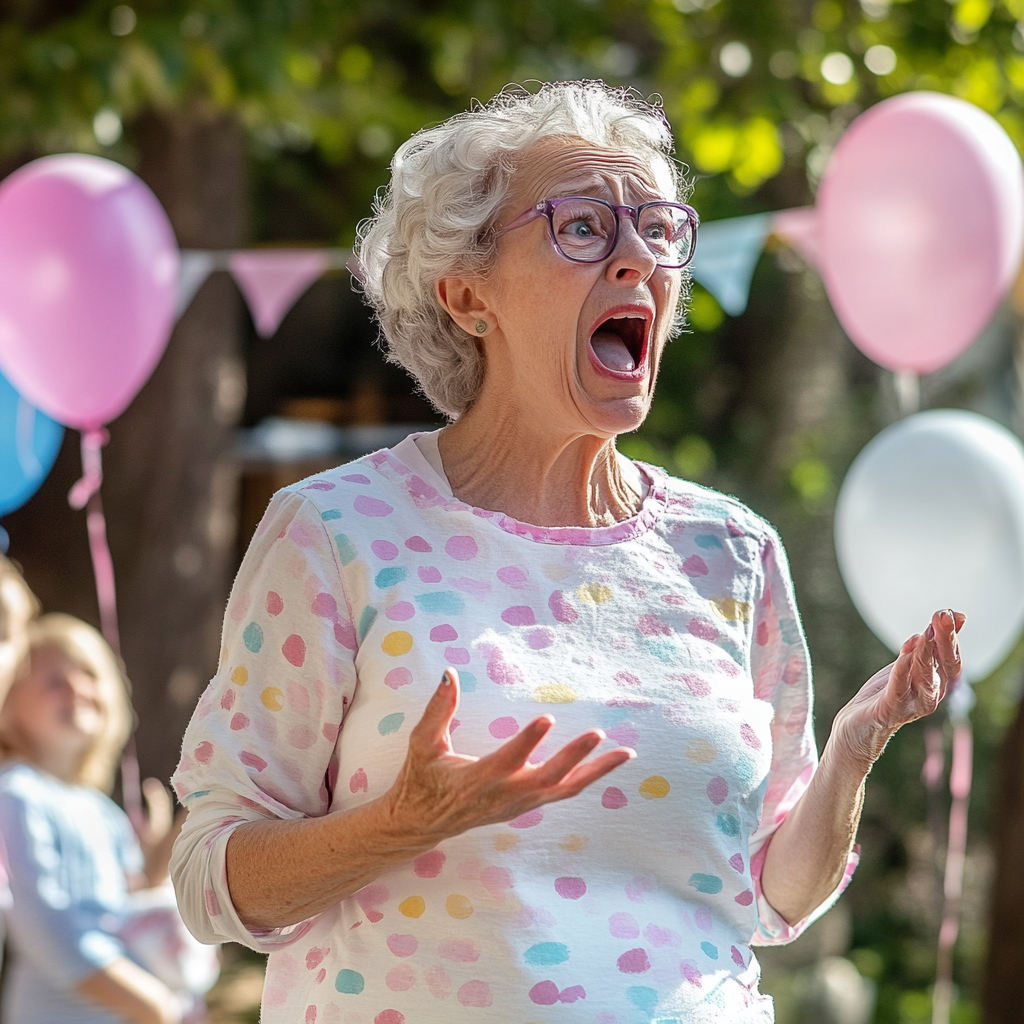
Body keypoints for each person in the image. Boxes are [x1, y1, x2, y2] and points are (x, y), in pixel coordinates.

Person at [170, 81, 962, 1022]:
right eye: (583, 226)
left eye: (660, 229)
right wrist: (398, 826)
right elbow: (211, 882)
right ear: (469, 295)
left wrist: (851, 751)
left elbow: (770, 896)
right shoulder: (335, 532)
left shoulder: (733, 551)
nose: (638, 257)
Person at [0, 614, 217, 1024]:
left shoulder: (102, 811)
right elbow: (43, 926)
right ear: (8, 700)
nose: (78, 689)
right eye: (54, 680)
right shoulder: (14, 793)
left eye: (89, 674)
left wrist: (153, 875)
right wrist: (154, 1006)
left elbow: (129, 919)